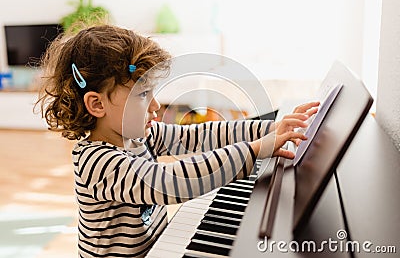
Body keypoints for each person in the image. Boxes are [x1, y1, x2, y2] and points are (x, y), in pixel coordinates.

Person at [36, 25, 319, 258]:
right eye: (143, 95)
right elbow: (169, 181)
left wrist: (268, 128)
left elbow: (199, 135)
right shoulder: (95, 162)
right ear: (97, 105)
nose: (156, 105)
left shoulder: (139, 137)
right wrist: (256, 150)